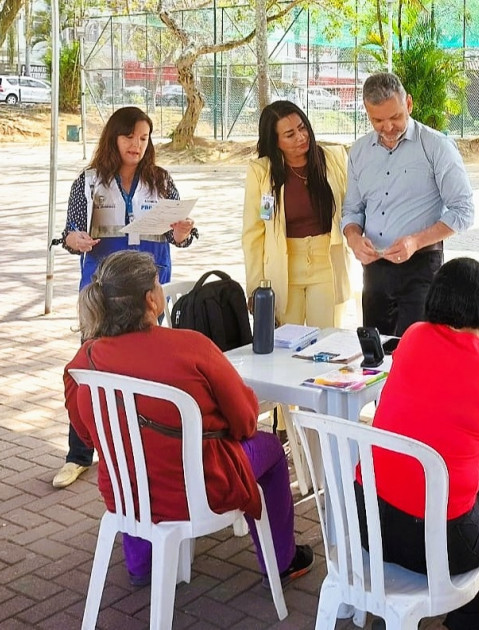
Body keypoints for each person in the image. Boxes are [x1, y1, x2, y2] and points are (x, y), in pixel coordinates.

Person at [63, 250, 314, 587]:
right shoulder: (192, 346)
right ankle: (283, 562)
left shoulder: (84, 360)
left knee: (132, 454)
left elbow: (88, 434)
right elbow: (245, 421)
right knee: (269, 448)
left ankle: (140, 565)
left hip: (126, 492)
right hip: (202, 488)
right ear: (151, 300)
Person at [357, 257, 479, 630]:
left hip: (369, 523)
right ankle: (460, 624)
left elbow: (437, 399)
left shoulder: (413, 337)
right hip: (440, 541)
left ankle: (398, 616)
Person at [53, 106, 198, 489]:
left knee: (147, 370)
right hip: (102, 289)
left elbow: (179, 237)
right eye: (129, 136)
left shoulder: (161, 181)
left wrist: (181, 233)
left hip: (148, 289)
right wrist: (74, 239)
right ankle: (78, 455)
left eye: (144, 138)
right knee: (90, 370)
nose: (136, 144)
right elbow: (69, 233)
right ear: (113, 138)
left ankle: (143, 450)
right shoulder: (88, 182)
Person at [341, 72, 475, 336]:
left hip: (421, 267)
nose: (388, 127)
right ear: (367, 113)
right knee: (375, 349)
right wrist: (353, 238)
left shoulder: (436, 146)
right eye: (378, 121)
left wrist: (415, 241)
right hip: (374, 271)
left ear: (409, 104)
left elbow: (464, 211)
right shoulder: (359, 151)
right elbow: (352, 211)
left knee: (418, 349)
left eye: (395, 117)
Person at [242, 99, 351, 329]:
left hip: (327, 266)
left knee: (326, 340)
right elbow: (253, 234)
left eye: (302, 128)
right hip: (283, 271)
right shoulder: (261, 171)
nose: (301, 137)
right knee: (286, 343)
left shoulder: (333, 158)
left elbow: (352, 207)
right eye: (290, 135)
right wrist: (255, 287)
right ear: (275, 141)